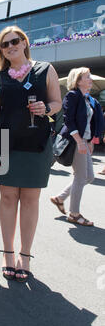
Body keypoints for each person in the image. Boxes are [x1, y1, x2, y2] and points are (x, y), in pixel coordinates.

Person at [0, 26, 62, 282]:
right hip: (5, 142)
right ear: (1, 51)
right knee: (7, 199)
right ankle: (8, 254)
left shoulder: (45, 69)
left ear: (24, 42)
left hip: (37, 144)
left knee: (30, 200)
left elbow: (57, 103)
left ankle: (25, 255)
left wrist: (46, 108)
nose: (10, 46)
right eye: (5, 45)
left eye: (14, 41)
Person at [50, 68, 102, 226]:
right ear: (78, 80)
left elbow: (90, 123)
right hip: (75, 141)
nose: (90, 79)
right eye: (87, 77)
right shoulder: (72, 96)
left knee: (89, 177)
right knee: (81, 176)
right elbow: (69, 120)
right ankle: (74, 214)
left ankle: (60, 197)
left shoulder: (87, 99)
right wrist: (80, 141)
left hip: (84, 141)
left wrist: (91, 141)